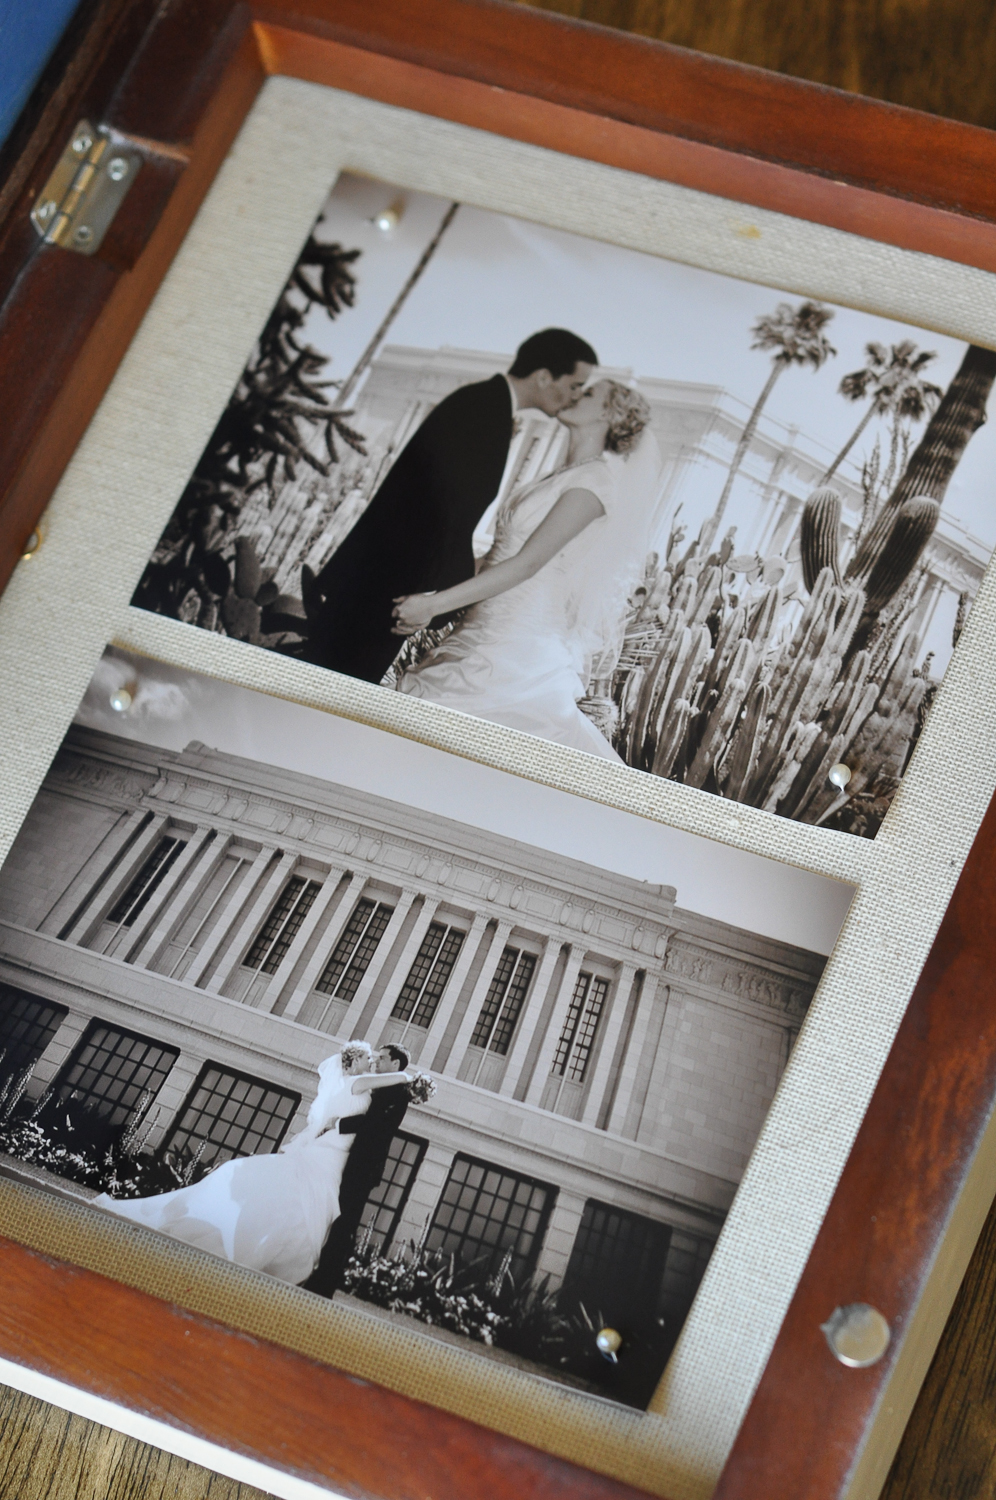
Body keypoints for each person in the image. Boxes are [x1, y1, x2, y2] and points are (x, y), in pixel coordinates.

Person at [302, 328, 598, 685]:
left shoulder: (486, 405)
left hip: (382, 585)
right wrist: (438, 596)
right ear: (544, 376)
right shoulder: (482, 411)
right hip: (385, 592)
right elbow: (439, 512)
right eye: (575, 385)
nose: (574, 396)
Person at [391, 380, 656, 759]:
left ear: (607, 414)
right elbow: (499, 554)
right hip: (484, 621)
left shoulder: (595, 483)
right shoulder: (564, 473)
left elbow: (528, 564)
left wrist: (434, 606)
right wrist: (433, 591)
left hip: (517, 636)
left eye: (589, 394)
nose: (575, 394)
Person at [91, 1042, 410, 1286]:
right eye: (370, 1058)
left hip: (336, 1149)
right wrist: (412, 1078)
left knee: (305, 1195)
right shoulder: (358, 1083)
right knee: (306, 1194)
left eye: (377, 1059)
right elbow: (392, 1082)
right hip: (332, 1149)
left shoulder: (354, 1084)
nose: (373, 1062)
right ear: (353, 1063)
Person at [301, 1043, 412, 1299]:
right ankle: (320, 1276)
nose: (377, 1062)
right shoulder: (384, 1087)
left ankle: (324, 1283)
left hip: (364, 1164)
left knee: (345, 1221)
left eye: (382, 1058)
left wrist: (338, 1123)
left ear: (395, 1064)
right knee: (339, 1218)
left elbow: (374, 1124)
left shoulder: (397, 1093)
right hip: (354, 1159)